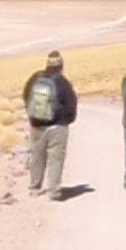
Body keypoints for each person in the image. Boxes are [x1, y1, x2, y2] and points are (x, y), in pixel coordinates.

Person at [23, 52, 76, 197]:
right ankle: (53, 190)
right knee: (55, 158)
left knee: (37, 156)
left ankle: (34, 188)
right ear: (61, 65)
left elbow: (26, 96)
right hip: (57, 126)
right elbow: (72, 105)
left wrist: (33, 116)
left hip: (36, 125)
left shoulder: (35, 79)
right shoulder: (63, 82)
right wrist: (67, 120)